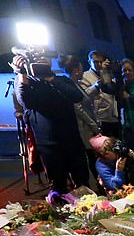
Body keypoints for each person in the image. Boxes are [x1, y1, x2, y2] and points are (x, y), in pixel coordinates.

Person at [13, 55, 90, 196]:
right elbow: (25, 101)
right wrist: (21, 73)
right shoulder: (28, 83)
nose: (41, 60)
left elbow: (77, 96)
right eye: (37, 57)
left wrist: (51, 79)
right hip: (48, 144)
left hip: (72, 140)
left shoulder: (62, 80)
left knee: (82, 183)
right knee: (58, 188)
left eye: (44, 56)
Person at [59, 54, 102, 189]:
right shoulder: (69, 85)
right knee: (90, 160)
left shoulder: (74, 84)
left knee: (91, 159)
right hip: (83, 129)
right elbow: (79, 108)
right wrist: (94, 126)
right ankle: (93, 188)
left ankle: (96, 186)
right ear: (76, 69)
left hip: (85, 128)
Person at [81, 50, 121, 139]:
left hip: (114, 117)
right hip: (100, 119)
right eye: (95, 62)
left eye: (100, 61)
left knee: (119, 148)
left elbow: (116, 90)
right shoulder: (84, 76)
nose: (99, 64)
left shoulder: (108, 73)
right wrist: (96, 86)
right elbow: (83, 96)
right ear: (89, 62)